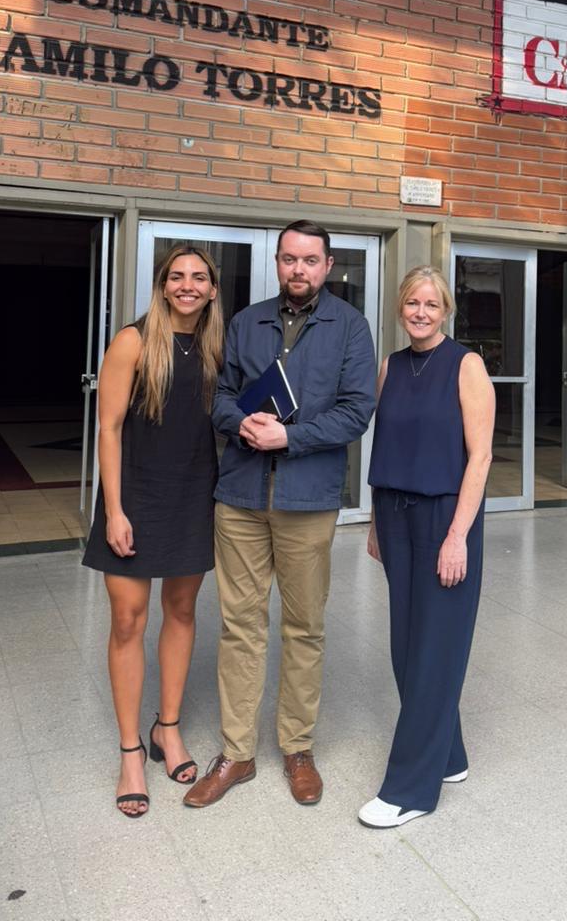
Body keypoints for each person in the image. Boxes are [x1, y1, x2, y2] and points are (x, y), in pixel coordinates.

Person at [184, 221, 376, 810]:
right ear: (277, 262)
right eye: (290, 259)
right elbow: (219, 395)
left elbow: (357, 410)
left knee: (304, 627)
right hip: (241, 498)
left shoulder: (350, 327)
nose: (299, 269)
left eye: (310, 260)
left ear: (328, 265)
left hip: (307, 501)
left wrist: (289, 437)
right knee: (239, 625)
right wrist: (239, 422)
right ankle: (237, 753)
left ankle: (297, 748)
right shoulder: (246, 322)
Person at [82, 244, 224, 818]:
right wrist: (114, 510)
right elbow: (108, 429)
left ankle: (168, 728)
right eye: (177, 276)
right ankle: (130, 752)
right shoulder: (133, 341)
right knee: (127, 620)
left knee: (182, 611)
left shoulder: (216, 346)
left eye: (199, 277)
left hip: (193, 494)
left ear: (212, 289)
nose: (188, 285)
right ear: (163, 285)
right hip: (135, 496)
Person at [358, 265, 495, 829]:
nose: (421, 312)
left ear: (446, 312)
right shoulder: (390, 366)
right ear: (400, 308)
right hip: (394, 513)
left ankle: (410, 789)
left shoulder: (466, 365)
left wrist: (457, 535)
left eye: (431, 304)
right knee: (408, 646)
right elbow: (384, 443)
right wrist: (374, 522)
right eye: (413, 303)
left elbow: (480, 456)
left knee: (436, 647)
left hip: (445, 517)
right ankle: (450, 756)